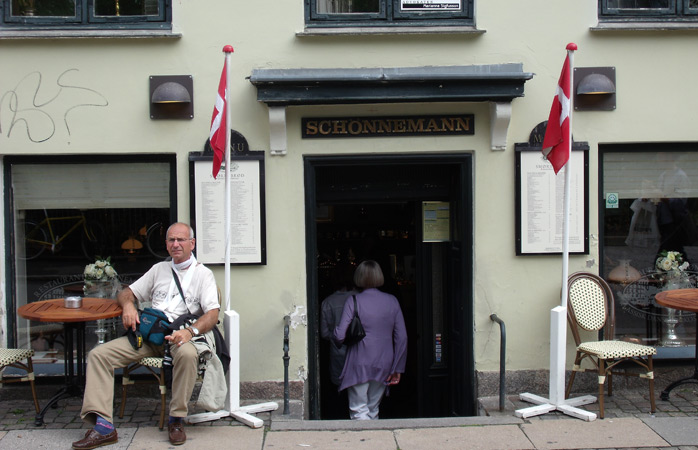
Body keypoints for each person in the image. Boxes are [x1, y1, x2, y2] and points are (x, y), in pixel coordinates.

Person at [72, 222, 220, 449]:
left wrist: (190, 332)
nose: (176, 244)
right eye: (171, 240)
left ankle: (177, 419)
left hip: (179, 337)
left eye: (181, 240)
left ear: (192, 243)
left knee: (188, 355)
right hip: (150, 337)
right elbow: (126, 292)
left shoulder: (203, 275)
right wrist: (129, 307)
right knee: (98, 355)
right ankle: (103, 427)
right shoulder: (158, 269)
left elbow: (212, 313)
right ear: (166, 244)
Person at [333, 260, 407, 420]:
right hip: (384, 362)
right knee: (373, 409)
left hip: (359, 361)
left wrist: (334, 331)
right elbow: (402, 337)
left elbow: (339, 336)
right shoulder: (392, 301)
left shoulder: (353, 301)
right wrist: (398, 367)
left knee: (358, 409)